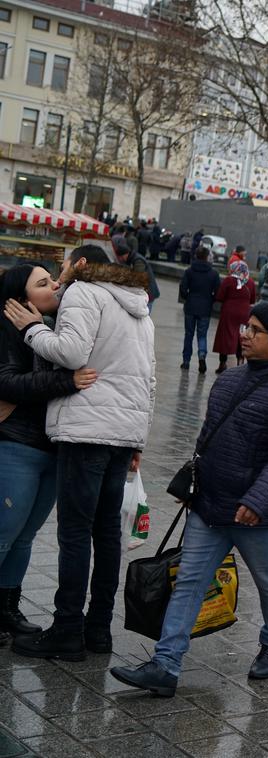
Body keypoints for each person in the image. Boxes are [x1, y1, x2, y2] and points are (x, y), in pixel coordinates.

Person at [110, 301, 268, 696]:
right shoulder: (229, 380)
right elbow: (208, 440)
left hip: (256, 515)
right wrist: (194, 487)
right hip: (209, 506)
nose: (245, 334)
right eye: (247, 326)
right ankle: (165, 665)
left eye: (256, 330)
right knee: (188, 582)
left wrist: (257, 500)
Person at [4, 245, 155, 660]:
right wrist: (137, 438)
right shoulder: (138, 305)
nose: (60, 275)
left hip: (86, 430)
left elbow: (70, 353)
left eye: (64, 265)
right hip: (122, 433)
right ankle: (99, 630)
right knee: (107, 535)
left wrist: (34, 329)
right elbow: (149, 377)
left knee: (74, 534)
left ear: (82, 266)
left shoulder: (83, 291)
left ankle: (67, 630)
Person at [0, 265, 98, 641]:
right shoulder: (8, 329)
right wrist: (65, 381)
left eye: (54, 279)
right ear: (21, 300)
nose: (55, 286)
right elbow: (6, 382)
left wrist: (68, 275)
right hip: (16, 443)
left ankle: (7, 608)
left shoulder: (56, 325)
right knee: (5, 532)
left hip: (53, 447)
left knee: (25, 536)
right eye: (43, 284)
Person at [178, 245, 221, 373]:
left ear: (196, 256)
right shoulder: (213, 273)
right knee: (202, 335)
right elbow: (218, 292)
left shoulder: (189, 271)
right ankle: (202, 356)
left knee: (188, 334)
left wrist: (188, 298)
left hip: (191, 306)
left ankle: (186, 361)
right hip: (205, 307)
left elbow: (183, 288)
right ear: (207, 257)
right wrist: (210, 300)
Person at [214, 260, 256, 373]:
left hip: (229, 313)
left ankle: (222, 363)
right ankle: (240, 362)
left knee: (225, 337)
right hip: (244, 314)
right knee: (241, 337)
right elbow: (252, 300)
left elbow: (220, 296)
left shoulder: (229, 280)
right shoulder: (250, 282)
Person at [113, 236, 161, 312]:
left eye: (120, 257)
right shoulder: (131, 259)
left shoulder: (138, 261)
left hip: (148, 293)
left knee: (144, 318)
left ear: (125, 254)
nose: (120, 259)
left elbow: (138, 278)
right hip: (144, 293)